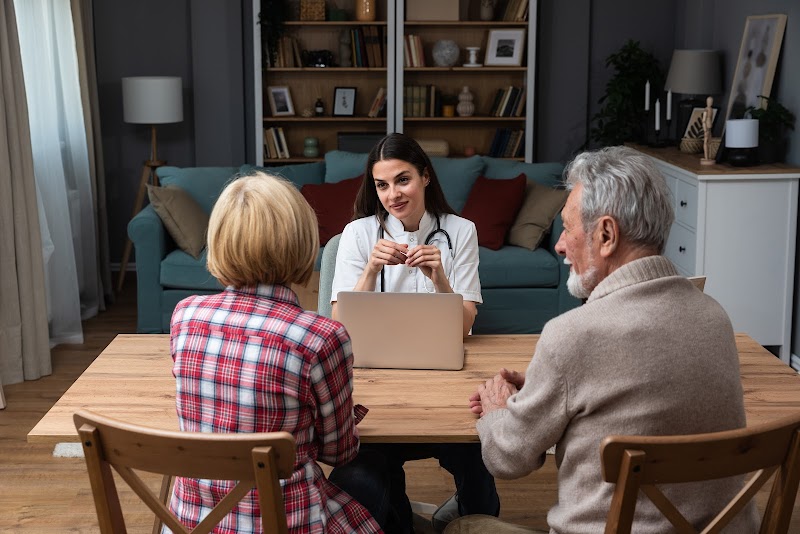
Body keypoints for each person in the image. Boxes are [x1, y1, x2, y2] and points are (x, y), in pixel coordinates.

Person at [454, 146, 758, 533]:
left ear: (607, 234)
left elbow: (508, 459)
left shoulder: (573, 336)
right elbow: (643, 396)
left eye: (567, 227)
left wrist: (498, 409)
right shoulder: (714, 316)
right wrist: (554, 390)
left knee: (464, 527)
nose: (560, 245)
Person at [166, 172, 382, 533]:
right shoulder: (320, 337)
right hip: (286, 523)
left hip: (192, 523)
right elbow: (339, 454)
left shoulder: (185, 316)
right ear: (301, 242)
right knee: (371, 478)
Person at [328, 133, 499, 533]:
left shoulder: (460, 231)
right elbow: (342, 326)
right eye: (382, 185)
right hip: (379, 384)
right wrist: (370, 271)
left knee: (477, 456)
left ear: (425, 176)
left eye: (402, 180)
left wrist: (439, 278)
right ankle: (397, 521)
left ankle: (473, 520)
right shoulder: (358, 233)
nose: (393, 195)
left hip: (443, 383)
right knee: (369, 460)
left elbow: (463, 327)